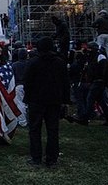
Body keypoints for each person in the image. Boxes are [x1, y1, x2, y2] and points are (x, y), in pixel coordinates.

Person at [24, 37, 69, 167]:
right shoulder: (60, 63)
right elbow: (65, 83)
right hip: (54, 100)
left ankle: (36, 158)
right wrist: (65, 100)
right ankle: (51, 159)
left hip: (36, 100)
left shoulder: (33, 63)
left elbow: (28, 82)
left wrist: (27, 98)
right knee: (53, 130)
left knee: (34, 130)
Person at [11, 48, 29, 127]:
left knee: (20, 103)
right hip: (29, 85)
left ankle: (22, 121)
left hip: (19, 85)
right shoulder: (30, 64)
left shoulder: (14, 65)